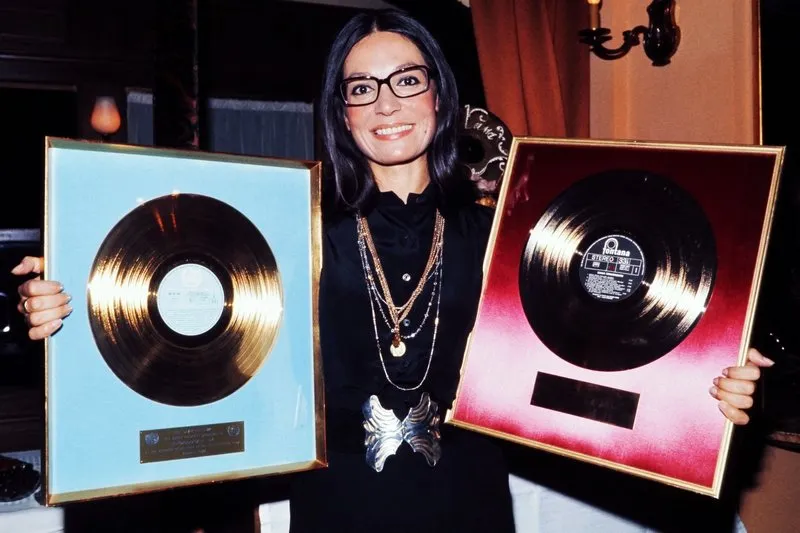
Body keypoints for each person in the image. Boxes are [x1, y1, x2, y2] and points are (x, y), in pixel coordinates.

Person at [11, 9, 772, 533]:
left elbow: (601, 350)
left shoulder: (503, 236)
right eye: (361, 87)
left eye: (406, 79)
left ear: (439, 94)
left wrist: (704, 382)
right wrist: (74, 299)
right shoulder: (291, 232)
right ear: (340, 112)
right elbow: (182, 319)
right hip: (340, 505)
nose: (385, 104)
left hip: (469, 501)